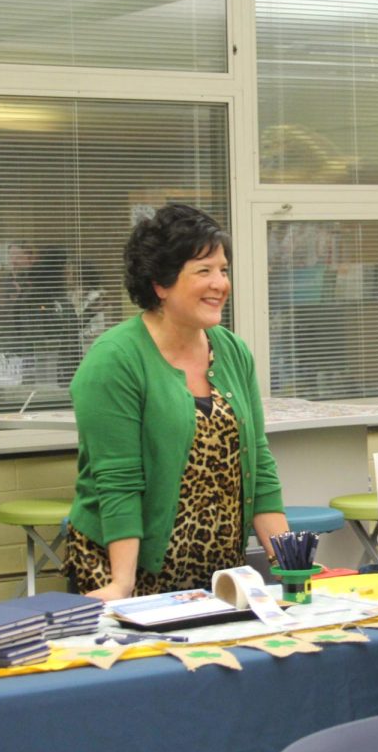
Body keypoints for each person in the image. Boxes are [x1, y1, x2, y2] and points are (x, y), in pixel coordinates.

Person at [64, 204, 289, 600]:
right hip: (125, 570)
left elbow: (259, 463)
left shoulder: (233, 352)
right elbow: (118, 482)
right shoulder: (114, 360)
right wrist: (122, 584)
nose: (220, 283)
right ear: (161, 284)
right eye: (204, 271)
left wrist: (290, 563)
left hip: (217, 574)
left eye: (223, 270)